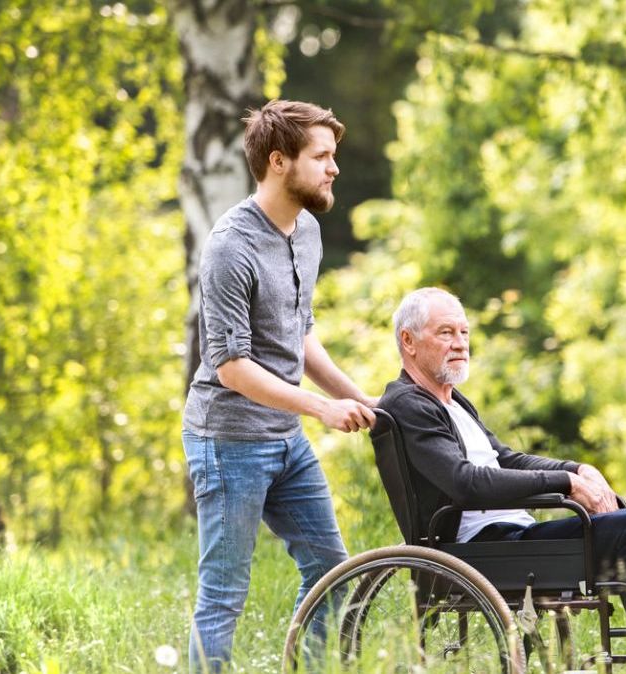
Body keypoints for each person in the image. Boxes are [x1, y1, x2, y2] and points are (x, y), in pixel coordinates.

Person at [377, 287, 626, 663]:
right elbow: (465, 483)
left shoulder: (452, 401)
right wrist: (566, 485)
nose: (460, 343)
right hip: (477, 550)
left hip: (513, 538)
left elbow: (507, 460)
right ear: (409, 341)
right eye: (446, 333)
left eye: (464, 333)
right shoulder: (407, 404)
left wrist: (576, 470)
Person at [181, 100, 377, 672]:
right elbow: (231, 368)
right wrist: (321, 408)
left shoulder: (307, 231)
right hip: (227, 442)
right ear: (277, 161)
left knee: (331, 576)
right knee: (222, 599)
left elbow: (301, 336)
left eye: (333, 156)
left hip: (283, 438)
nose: (333, 167)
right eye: (321, 156)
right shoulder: (229, 248)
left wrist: (359, 397)